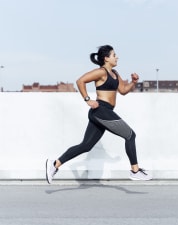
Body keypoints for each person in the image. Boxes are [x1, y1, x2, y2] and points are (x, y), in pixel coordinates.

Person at [45, 45, 152, 184]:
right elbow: (80, 81)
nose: (117, 57)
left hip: (104, 112)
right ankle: (135, 171)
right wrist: (88, 100)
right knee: (130, 135)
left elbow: (123, 90)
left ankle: (54, 165)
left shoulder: (115, 73)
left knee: (86, 146)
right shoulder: (101, 72)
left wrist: (133, 82)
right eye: (114, 55)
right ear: (106, 58)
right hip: (101, 110)